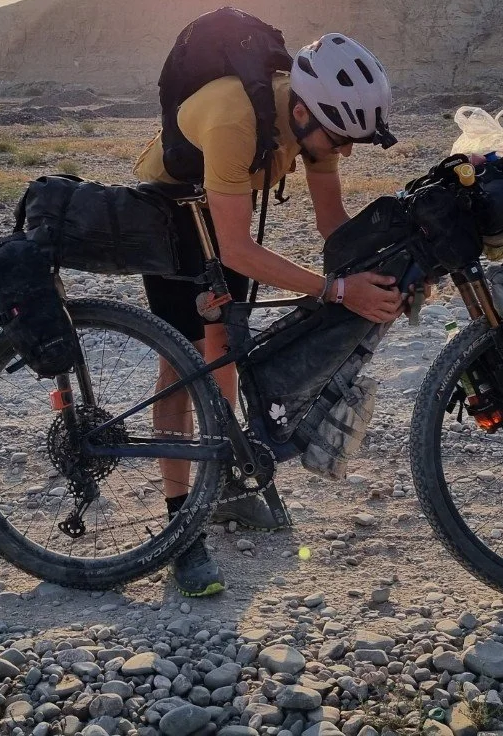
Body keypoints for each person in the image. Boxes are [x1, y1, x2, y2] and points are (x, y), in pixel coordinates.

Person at [132, 31, 404, 595]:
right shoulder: (236, 119)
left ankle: (224, 486)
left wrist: (389, 269)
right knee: (181, 370)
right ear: (302, 111)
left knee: (225, 354)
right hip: (170, 207)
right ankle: (181, 525)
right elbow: (237, 251)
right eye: (340, 138)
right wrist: (336, 291)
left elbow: (333, 225)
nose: (345, 151)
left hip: (221, 201)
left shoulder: (316, 131)